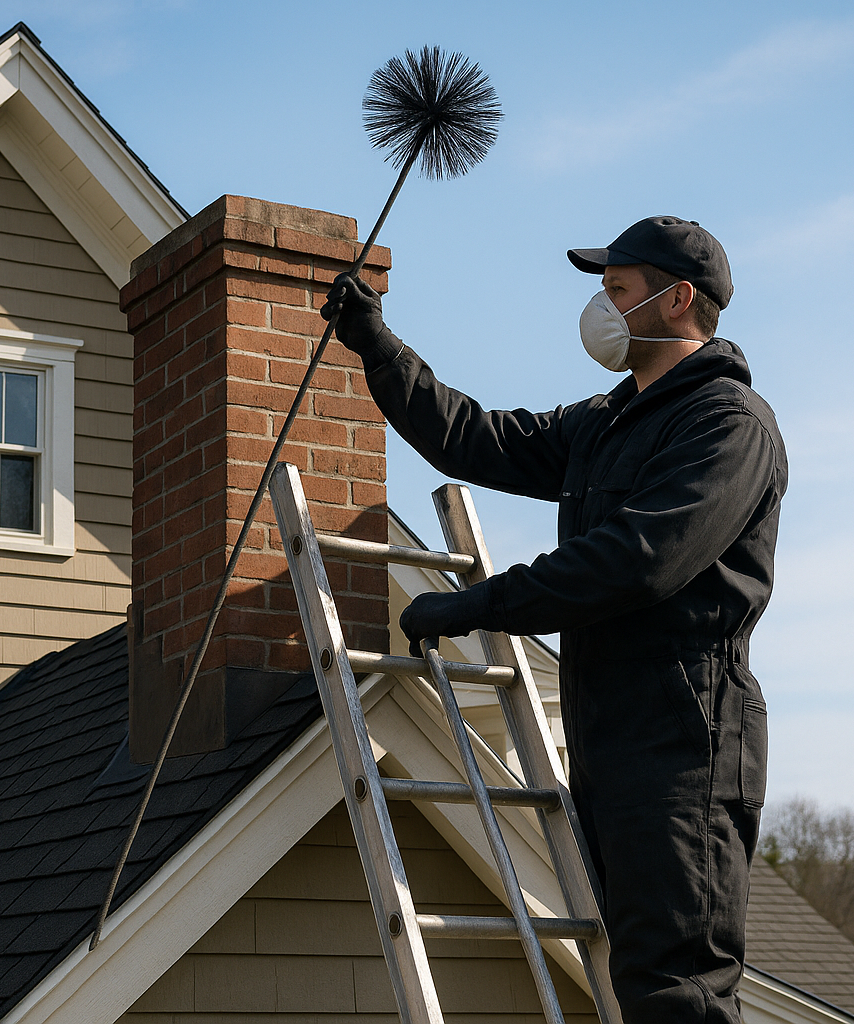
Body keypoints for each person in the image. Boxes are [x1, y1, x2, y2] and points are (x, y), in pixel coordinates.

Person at [321, 216, 787, 1024]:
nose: (601, 309)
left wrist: (483, 603)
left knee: (679, 991)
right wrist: (378, 347)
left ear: (677, 300)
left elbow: (640, 557)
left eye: (617, 291)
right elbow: (474, 439)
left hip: (685, 744)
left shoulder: (727, 423)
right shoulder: (604, 423)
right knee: (636, 985)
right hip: (608, 739)